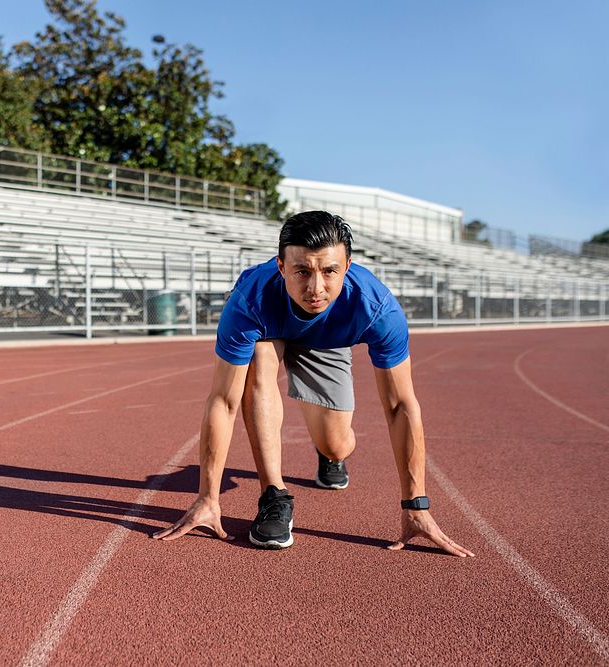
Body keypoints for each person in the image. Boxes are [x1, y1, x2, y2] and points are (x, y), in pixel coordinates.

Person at [152, 210, 474, 557]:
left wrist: (416, 504)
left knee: (337, 444)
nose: (315, 288)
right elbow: (224, 401)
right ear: (281, 267)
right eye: (302, 271)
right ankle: (273, 495)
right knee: (258, 361)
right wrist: (207, 498)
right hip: (270, 328)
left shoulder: (377, 308)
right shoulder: (250, 300)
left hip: (330, 342)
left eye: (329, 271)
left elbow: (400, 406)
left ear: (347, 267)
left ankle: (329, 456)